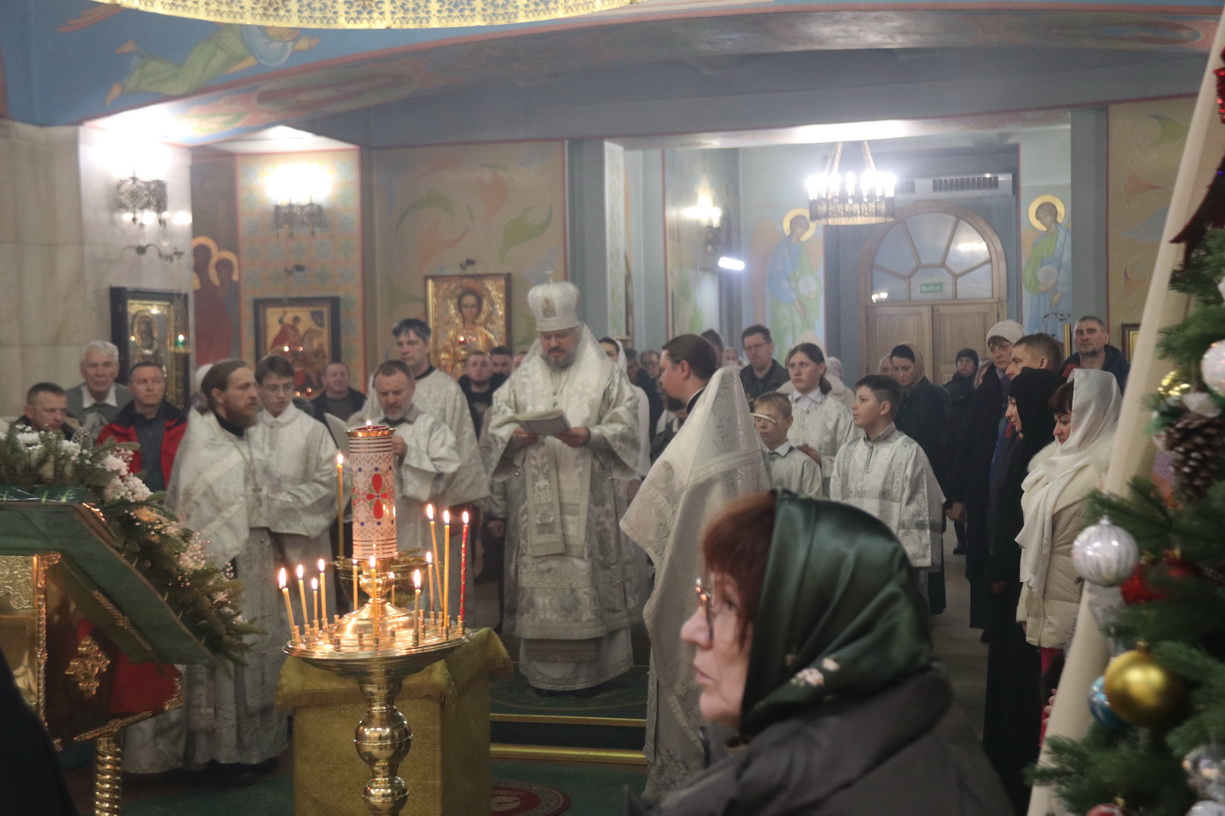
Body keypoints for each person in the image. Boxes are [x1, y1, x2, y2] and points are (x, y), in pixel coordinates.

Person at [637, 490, 1012, 815]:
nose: (691, 631)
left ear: (815, 628)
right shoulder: (850, 734)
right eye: (707, 596)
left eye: (730, 604)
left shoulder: (897, 796)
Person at [622, 333, 770, 801]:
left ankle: (694, 784)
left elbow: (677, 499)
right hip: (729, 571)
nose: (659, 377)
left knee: (695, 662)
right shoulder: (716, 419)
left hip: (699, 572)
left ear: (683, 369)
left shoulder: (703, 427)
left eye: (664, 368)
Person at [124, 360, 286, 782]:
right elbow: (195, 518)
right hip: (220, 568)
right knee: (225, 656)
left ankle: (256, 747)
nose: (254, 394)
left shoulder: (250, 436)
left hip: (258, 558)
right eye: (243, 388)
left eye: (254, 386)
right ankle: (222, 754)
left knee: (258, 650)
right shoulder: (200, 447)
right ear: (217, 396)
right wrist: (216, 564)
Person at [481, 281, 643, 694]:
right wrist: (513, 435)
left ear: (577, 331)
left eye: (561, 336)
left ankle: (598, 672)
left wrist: (591, 434)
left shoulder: (605, 374)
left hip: (589, 505)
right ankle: (544, 675)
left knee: (587, 575)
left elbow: (627, 425)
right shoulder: (522, 379)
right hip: (537, 507)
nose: (553, 344)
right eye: (546, 337)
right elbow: (495, 425)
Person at [981, 366, 1063, 813]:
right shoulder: (1022, 447)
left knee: (1023, 684)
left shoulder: (1046, 456)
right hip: (1012, 582)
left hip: (1029, 587)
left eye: (1015, 403)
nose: (1009, 412)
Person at [1017, 370, 1121, 672]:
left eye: (1065, 421)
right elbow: (1035, 548)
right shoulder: (1051, 466)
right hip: (1048, 606)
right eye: (1056, 421)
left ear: (1093, 417)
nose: (1056, 431)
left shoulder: (1108, 473)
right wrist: (1026, 607)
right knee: (1051, 695)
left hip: (1082, 612)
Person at [829, 375, 944, 599]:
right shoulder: (846, 452)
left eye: (863, 400)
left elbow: (918, 512)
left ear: (884, 407)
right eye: (855, 399)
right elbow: (836, 508)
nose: (854, 405)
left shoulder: (909, 452)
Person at [946, 319, 1024, 632]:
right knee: (983, 554)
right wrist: (959, 496)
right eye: (993, 348)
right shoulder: (985, 389)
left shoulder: (1025, 385)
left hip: (1013, 485)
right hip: (983, 485)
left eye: (1004, 346)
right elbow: (966, 444)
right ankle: (989, 623)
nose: (998, 353)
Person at [250, 355, 338, 616]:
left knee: (307, 612)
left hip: (302, 539)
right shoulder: (248, 430)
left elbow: (330, 481)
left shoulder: (313, 430)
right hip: (259, 538)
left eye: (287, 387)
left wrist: (281, 503)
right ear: (259, 389)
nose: (281, 395)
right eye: (273, 388)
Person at [380, 318, 489, 509]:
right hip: (391, 492)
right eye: (400, 344)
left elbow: (463, 443)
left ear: (427, 345)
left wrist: (460, 501)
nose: (405, 349)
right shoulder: (385, 386)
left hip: (437, 492)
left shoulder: (447, 389)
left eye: (412, 343)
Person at [368, 360, 462, 558]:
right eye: (384, 394)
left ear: (412, 388)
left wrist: (408, 454)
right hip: (376, 533)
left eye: (397, 393)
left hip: (419, 530)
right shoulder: (369, 430)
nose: (390, 400)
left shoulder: (433, 429)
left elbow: (446, 473)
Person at [890, 343, 952, 612]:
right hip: (898, 475)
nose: (900, 374)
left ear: (918, 366)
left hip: (930, 474)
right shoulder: (894, 395)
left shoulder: (937, 395)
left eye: (906, 368)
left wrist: (947, 488)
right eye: (896, 369)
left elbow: (945, 440)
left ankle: (932, 603)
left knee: (928, 539)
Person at [97, 361, 188, 492]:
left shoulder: (184, 427)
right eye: (142, 382)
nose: (150, 387)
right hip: (130, 502)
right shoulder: (112, 433)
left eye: (156, 381)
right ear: (130, 387)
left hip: (176, 501)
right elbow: (100, 479)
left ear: (164, 384)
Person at [782, 343, 855, 495]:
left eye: (803, 365)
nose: (796, 372)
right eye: (792, 366)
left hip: (823, 496)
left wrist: (821, 461)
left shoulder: (839, 413)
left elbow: (853, 462)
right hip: (783, 493)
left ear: (820, 368)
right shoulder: (778, 409)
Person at [753, 392, 822, 498]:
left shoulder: (805, 465)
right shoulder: (751, 462)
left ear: (788, 422)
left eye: (769, 419)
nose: (762, 425)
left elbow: (812, 504)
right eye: (758, 419)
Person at [66, 341, 134, 438]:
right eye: (93, 366)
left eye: (107, 365)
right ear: (82, 370)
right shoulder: (65, 402)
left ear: (117, 369)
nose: (100, 373)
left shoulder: (132, 400)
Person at [1061, 315, 1130, 392]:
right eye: (1079, 333)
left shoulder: (1128, 375)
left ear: (1106, 338)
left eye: (1091, 332)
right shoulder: (1063, 374)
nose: (1085, 337)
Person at [438, 288, 499, 375]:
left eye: (473, 306)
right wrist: (455, 360)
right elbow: (444, 356)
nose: (470, 311)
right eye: (466, 306)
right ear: (460, 309)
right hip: (459, 374)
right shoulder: (453, 335)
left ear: (479, 308)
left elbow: (494, 358)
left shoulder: (486, 336)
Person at [457, 350, 506, 438]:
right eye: (474, 365)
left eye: (484, 365)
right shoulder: (458, 398)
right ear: (467, 370)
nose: (479, 369)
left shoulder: (503, 396)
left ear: (491, 369)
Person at [16, 382, 84, 440]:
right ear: (30, 412)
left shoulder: (73, 436)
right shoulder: (13, 442)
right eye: (50, 411)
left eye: (63, 411)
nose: (59, 418)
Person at [738, 324, 789, 401]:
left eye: (757, 346)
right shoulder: (740, 380)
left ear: (771, 347)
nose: (753, 352)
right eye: (748, 348)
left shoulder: (786, 379)